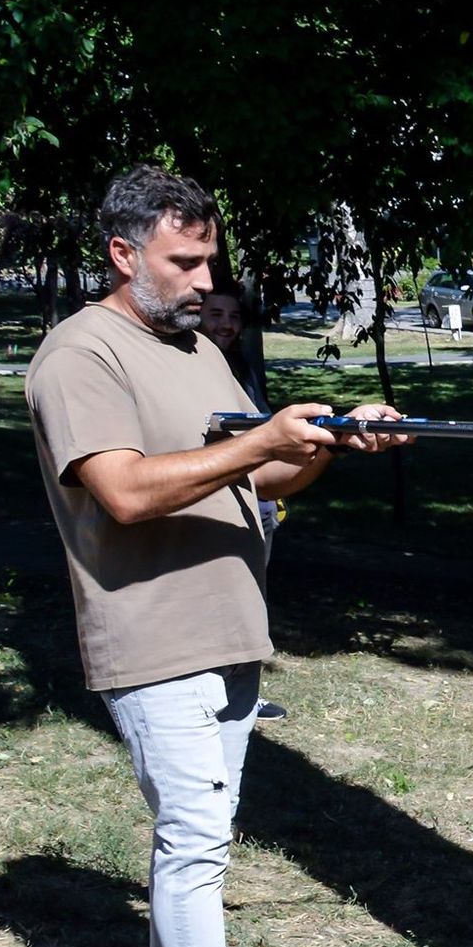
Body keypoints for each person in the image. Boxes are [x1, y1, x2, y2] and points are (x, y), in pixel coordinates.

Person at [25, 164, 410, 947]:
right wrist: (259, 441)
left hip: (229, 625)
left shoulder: (197, 350)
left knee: (197, 836)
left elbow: (259, 485)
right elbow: (124, 490)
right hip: (152, 635)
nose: (206, 281)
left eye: (209, 260)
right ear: (123, 253)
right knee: (193, 841)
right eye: (184, 261)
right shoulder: (81, 355)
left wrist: (325, 442)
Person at [200, 279, 286, 722]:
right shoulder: (192, 364)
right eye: (216, 314)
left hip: (258, 495)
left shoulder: (239, 364)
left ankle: (245, 696)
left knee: (252, 594)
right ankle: (213, 693)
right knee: (220, 596)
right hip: (214, 497)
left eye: (234, 317)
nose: (227, 325)